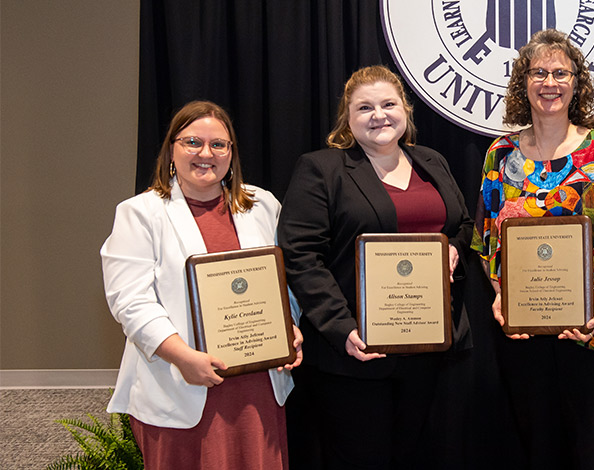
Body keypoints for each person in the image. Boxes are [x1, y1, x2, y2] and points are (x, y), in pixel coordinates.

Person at [277, 65, 474, 469]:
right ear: (347, 119)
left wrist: (453, 248)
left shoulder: (431, 161)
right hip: (355, 353)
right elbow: (301, 255)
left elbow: (464, 224)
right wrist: (342, 328)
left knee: (417, 456)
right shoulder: (322, 170)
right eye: (364, 107)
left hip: (429, 347)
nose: (378, 115)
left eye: (388, 104)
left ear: (406, 110)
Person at [471, 29, 594, 469]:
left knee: (593, 448)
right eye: (538, 73)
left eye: (560, 72)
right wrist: (500, 295)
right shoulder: (501, 152)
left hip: (592, 326)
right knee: (534, 448)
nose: (549, 82)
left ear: (576, 83)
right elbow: (486, 236)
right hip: (523, 328)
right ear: (523, 84)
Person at [101, 100, 303, 470]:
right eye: (193, 142)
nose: (205, 153)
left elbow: (284, 282)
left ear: (231, 153)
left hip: (256, 383)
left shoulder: (262, 205)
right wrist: (183, 357)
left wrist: (289, 326)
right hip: (181, 381)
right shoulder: (139, 213)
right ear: (171, 150)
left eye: (218, 144)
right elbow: (131, 301)